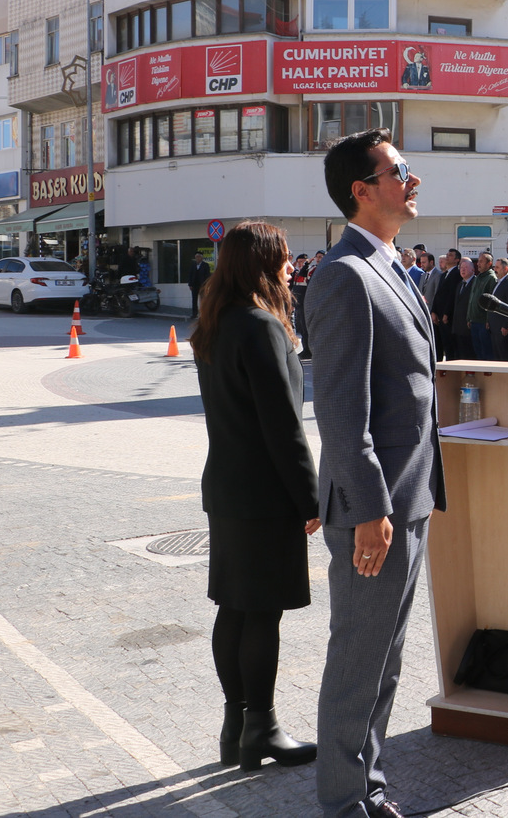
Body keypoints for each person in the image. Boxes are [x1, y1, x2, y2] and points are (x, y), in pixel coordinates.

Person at [303, 129, 445, 818]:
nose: (412, 179)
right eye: (399, 171)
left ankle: (370, 787)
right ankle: (340, 803)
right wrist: (367, 509)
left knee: (385, 661)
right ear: (362, 190)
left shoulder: (392, 265)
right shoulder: (343, 274)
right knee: (358, 660)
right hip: (375, 509)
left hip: (408, 497)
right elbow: (340, 410)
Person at [193, 220, 320, 773]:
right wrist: (311, 499)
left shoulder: (216, 323)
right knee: (261, 613)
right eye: (285, 259)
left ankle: (236, 724)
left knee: (235, 608)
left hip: (227, 486)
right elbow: (284, 427)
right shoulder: (262, 326)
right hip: (266, 494)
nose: (291, 267)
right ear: (264, 264)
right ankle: (261, 729)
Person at [428, 249, 462, 362]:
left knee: (450, 347)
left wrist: (447, 313)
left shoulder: (457, 274)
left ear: (457, 260)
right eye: (447, 255)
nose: (447, 257)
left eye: (451, 255)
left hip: (448, 317)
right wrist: (433, 311)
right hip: (439, 316)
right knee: (439, 345)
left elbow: (452, 295)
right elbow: (438, 295)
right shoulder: (444, 275)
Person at [465, 253, 498, 360]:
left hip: (483, 322)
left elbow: (492, 302)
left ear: (489, 263)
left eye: (481, 261)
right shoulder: (478, 277)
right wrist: (469, 317)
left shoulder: (491, 278)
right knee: (478, 352)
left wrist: (489, 320)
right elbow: (472, 298)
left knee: (486, 353)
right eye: (478, 261)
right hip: (474, 321)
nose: (478, 264)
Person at [487, 257, 508, 361]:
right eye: (494, 267)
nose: (494, 269)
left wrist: (506, 325)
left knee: (505, 356)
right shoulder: (498, 282)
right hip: (494, 326)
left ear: (505, 269)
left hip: (502, 327)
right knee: (497, 356)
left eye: (497, 267)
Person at [450, 257, 476, 360]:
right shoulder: (460, 284)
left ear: (473, 270)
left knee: (469, 355)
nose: (463, 270)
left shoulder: (475, 283)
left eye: (465, 267)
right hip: (458, 327)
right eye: (461, 268)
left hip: (468, 326)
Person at [189, 251, 213, 318]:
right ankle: (194, 313)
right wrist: (190, 284)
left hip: (202, 285)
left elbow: (207, 276)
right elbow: (190, 275)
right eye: (196, 257)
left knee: (203, 300)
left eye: (198, 257)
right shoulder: (193, 265)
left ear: (201, 258)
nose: (197, 258)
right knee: (194, 300)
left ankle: (203, 314)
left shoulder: (205, 265)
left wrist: (206, 285)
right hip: (194, 285)